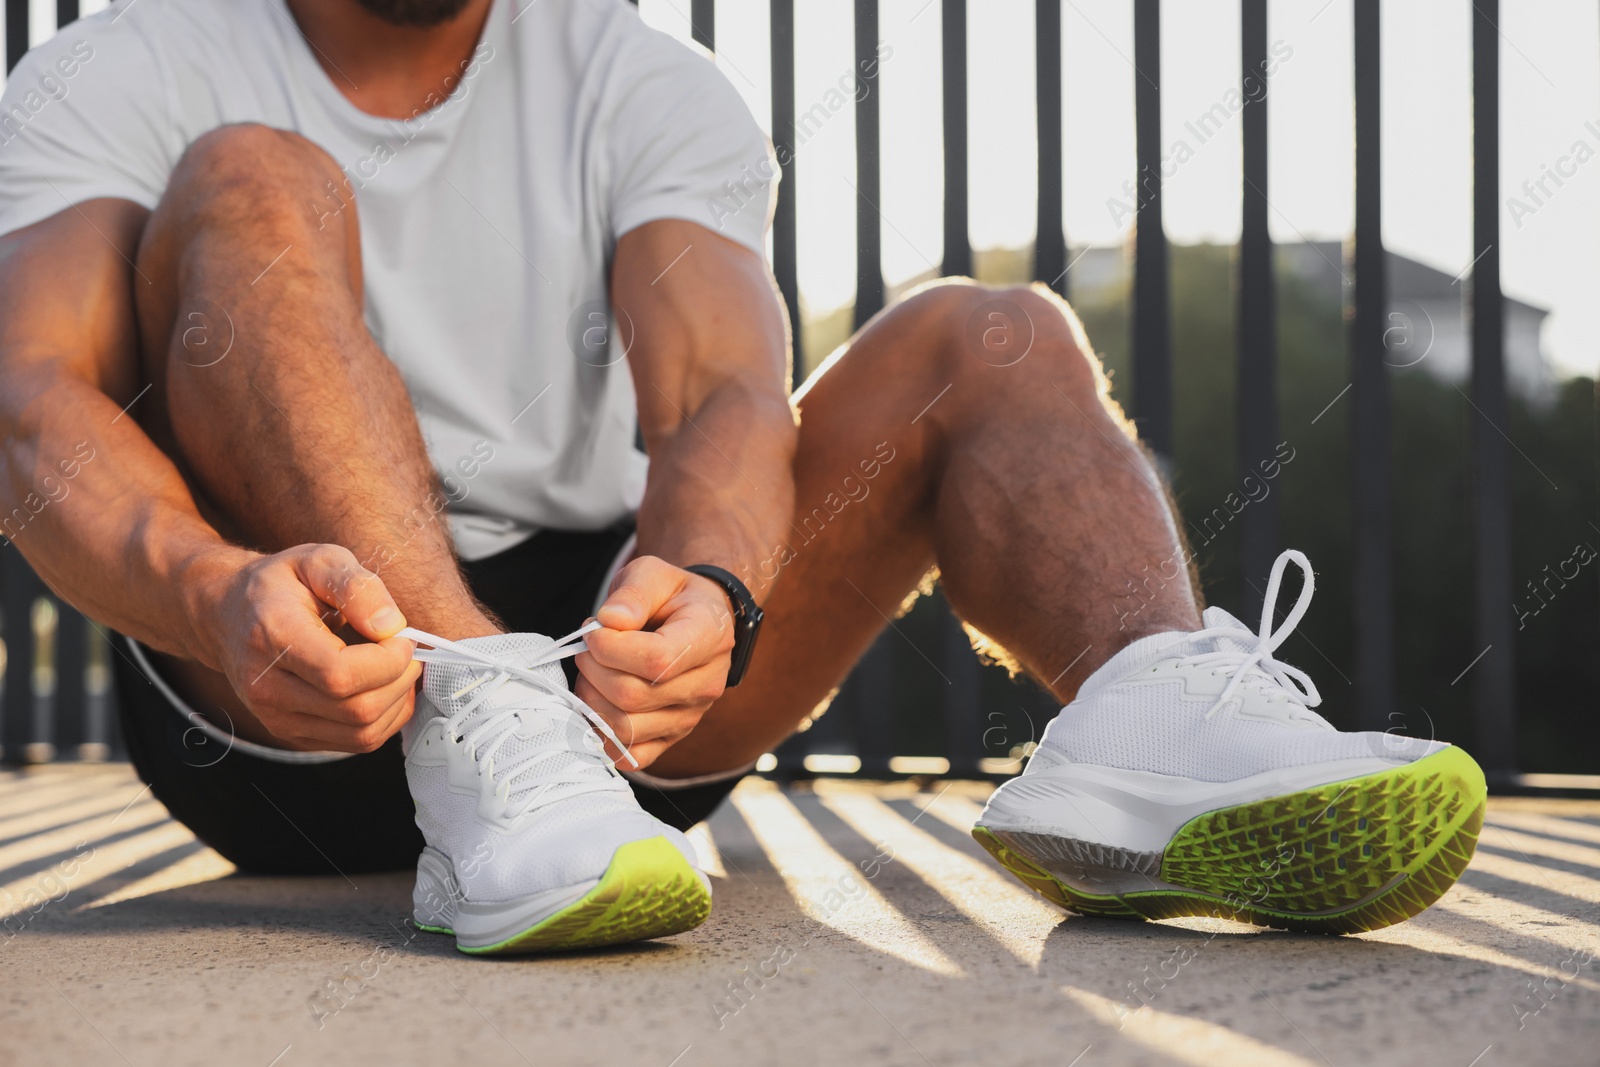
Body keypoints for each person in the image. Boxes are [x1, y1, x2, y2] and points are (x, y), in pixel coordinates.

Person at [0, 0, 1485, 954]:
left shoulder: (644, 78)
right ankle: (479, 719)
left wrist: (708, 580)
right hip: (281, 677)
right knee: (251, 177)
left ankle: (1146, 726)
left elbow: (720, 390)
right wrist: (210, 592)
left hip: (612, 719)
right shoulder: (119, 65)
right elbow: (29, 401)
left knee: (997, 336)